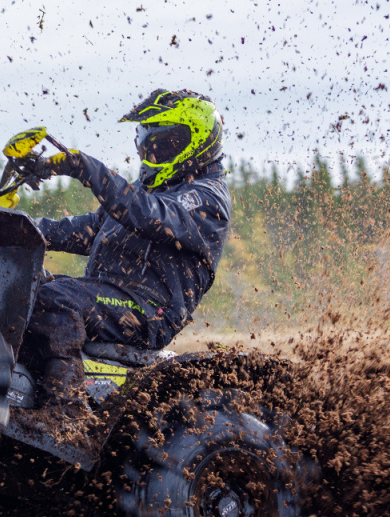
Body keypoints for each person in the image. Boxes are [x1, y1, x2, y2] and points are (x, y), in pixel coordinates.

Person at [15, 89, 231, 414]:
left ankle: (65, 415)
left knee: (55, 299)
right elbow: (85, 231)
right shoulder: (153, 189)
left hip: (149, 310)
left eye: (166, 143)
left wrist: (86, 168)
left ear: (199, 142)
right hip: (110, 294)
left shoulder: (205, 198)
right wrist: (16, 227)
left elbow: (146, 214)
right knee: (23, 289)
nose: (153, 152)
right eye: (148, 143)